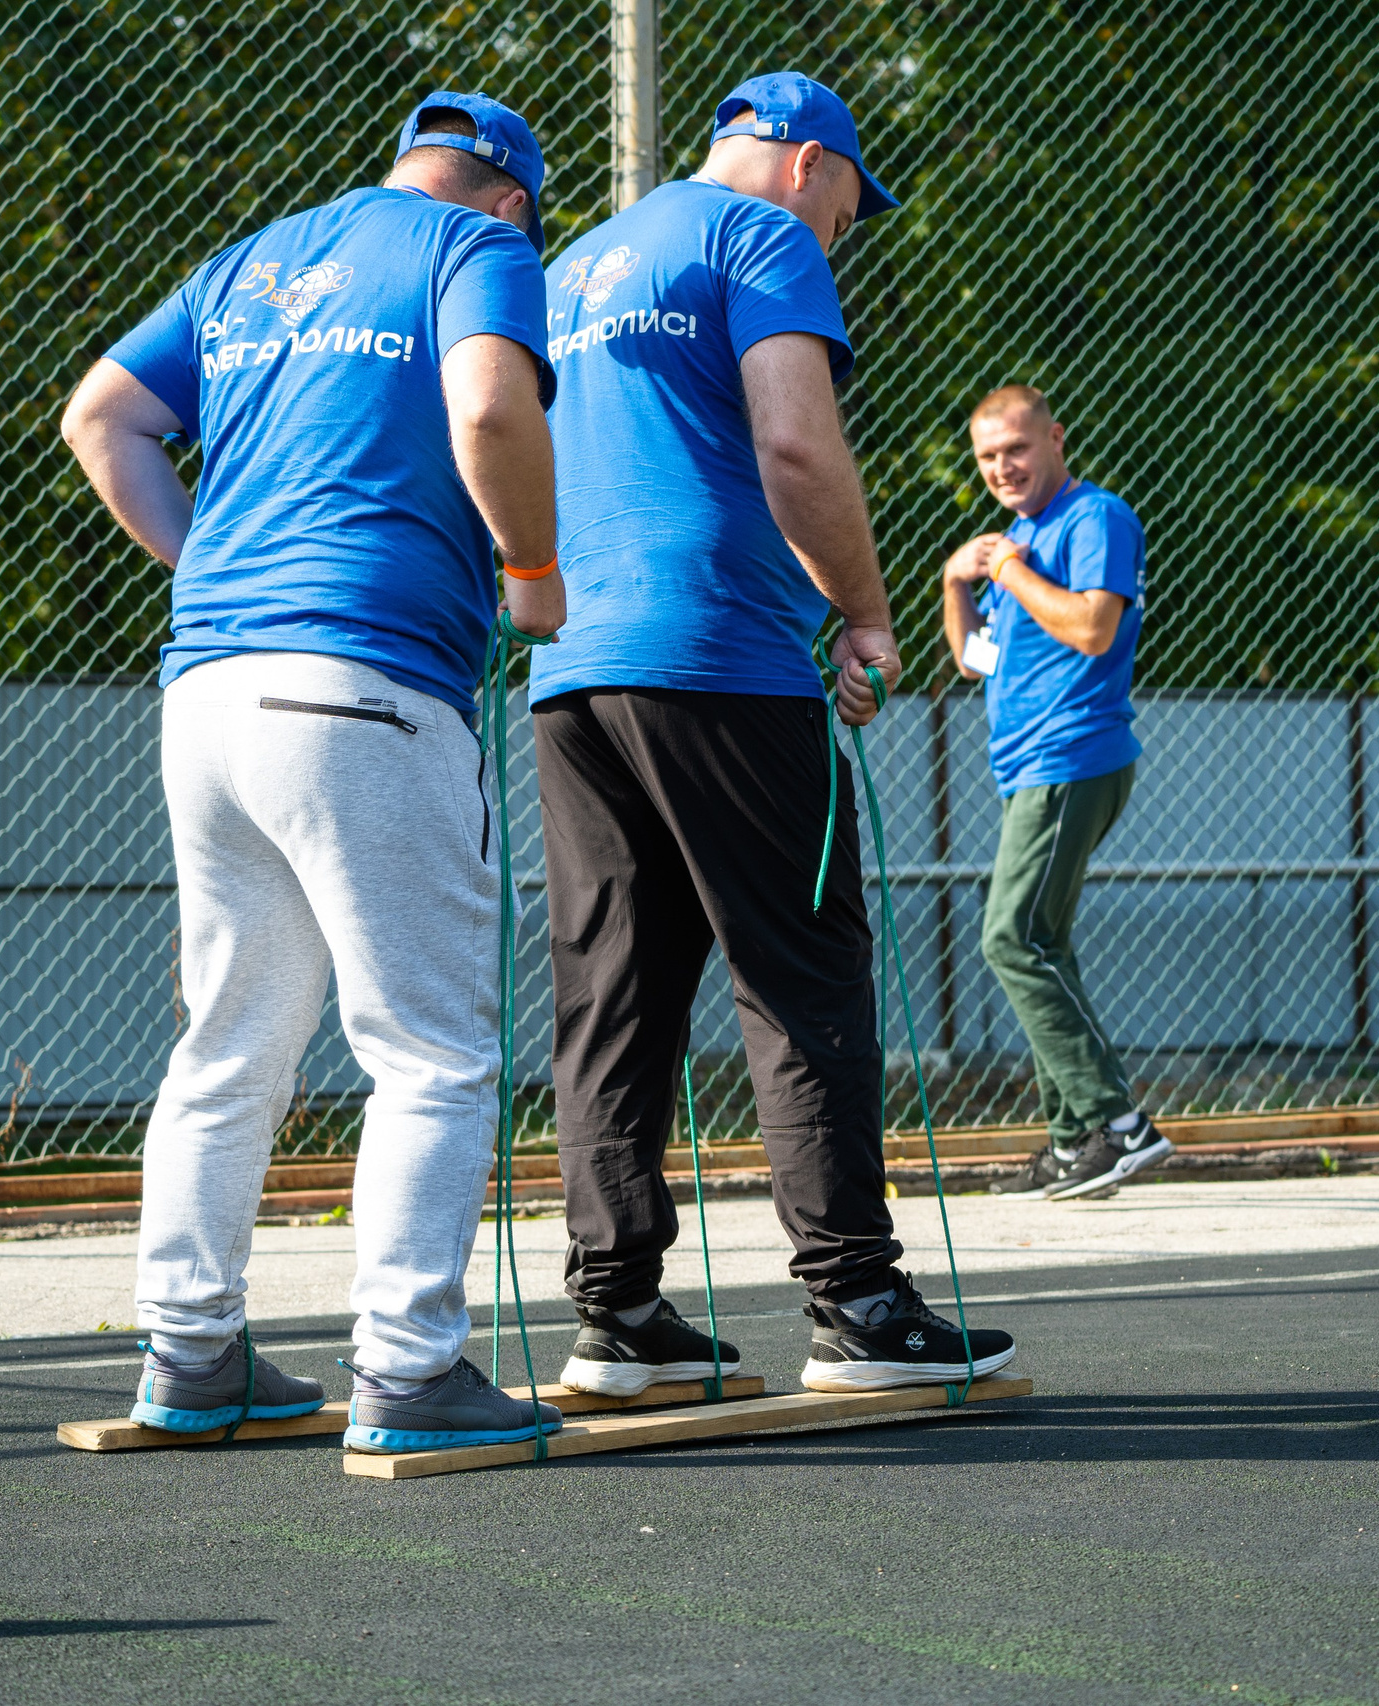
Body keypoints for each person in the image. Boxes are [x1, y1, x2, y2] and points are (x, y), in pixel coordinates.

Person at [61, 92, 572, 1454]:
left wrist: (214, 569)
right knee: (432, 1051)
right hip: (369, 686)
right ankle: (408, 1370)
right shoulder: (479, 247)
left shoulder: (255, 259)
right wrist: (533, 575)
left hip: (212, 684)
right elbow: (488, 405)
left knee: (230, 1039)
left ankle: (191, 1353)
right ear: (510, 195)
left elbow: (101, 417)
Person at [530, 71, 1016, 1397]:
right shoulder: (765, 238)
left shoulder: (571, 265)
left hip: (575, 671)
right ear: (808, 163)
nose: (852, 225)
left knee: (613, 991)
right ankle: (857, 1298)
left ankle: (617, 1311)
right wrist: (863, 612)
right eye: (855, 196)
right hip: (719, 662)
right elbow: (796, 446)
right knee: (800, 967)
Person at [940, 384, 1170, 1202]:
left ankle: (1119, 1125)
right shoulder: (1021, 539)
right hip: (1028, 766)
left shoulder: (1092, 519)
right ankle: (1075, 1141)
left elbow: (1091, 627)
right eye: (988, 457)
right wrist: (956, 580)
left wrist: (1005, 565)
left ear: (1055, 440)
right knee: (1043, 942)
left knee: (1010, 939)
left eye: (1017, 449)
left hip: (1073, 757)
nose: (1003, 467)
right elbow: (976, 661)